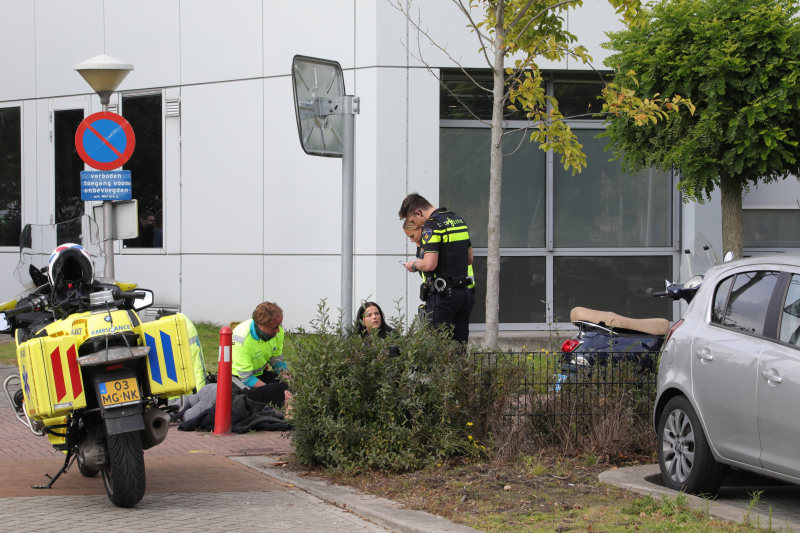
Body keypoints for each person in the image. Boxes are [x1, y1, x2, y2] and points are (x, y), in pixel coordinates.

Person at [399, 193, 475, 342]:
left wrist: (413, 265)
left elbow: (429, 264)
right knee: (459, 348)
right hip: (463, 295)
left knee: (440, 349)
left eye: (413, 221)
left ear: (418, 212)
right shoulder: (457, 220)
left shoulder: (432, 225)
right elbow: (469, 259)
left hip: (443, 297)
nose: (416, 225)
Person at [404, 219, 476, 322]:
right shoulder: (427, 245)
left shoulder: (433, 244)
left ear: (420, 228)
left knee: (441, 333)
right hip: (461, 291)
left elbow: (430, 265)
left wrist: (415, 265)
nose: (411, 240)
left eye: (412, 236)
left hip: (450, 292)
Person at [231, 302, 292, 408]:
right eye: (274, 327)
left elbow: (276, 361)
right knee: (254, 402)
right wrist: (272, 392)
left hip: (258, 374)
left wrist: (290, 381)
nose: (278, 330)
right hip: (237, 378)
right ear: (260, 325)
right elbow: (246, 378)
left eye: (279, 325)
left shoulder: (278, 332)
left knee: (287, 388)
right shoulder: (241, 338)